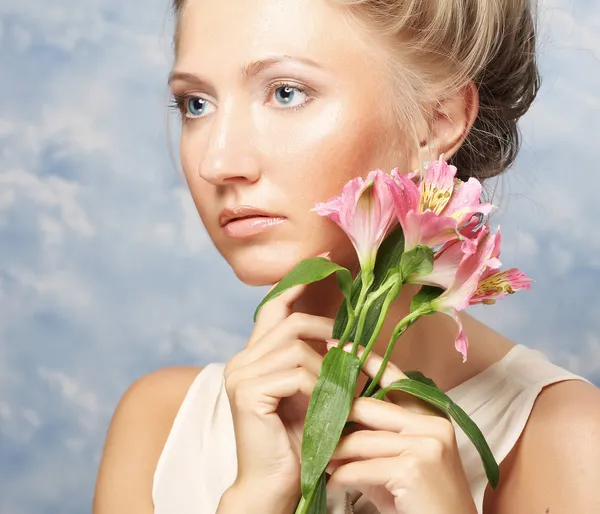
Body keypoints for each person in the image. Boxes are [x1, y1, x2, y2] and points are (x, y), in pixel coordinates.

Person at [93, 0, 600, 513]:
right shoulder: (163, 425)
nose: (217, 162)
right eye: (196, 104)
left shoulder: (570, 443)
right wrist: (253, 501)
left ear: (437, 121)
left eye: (286, 93)